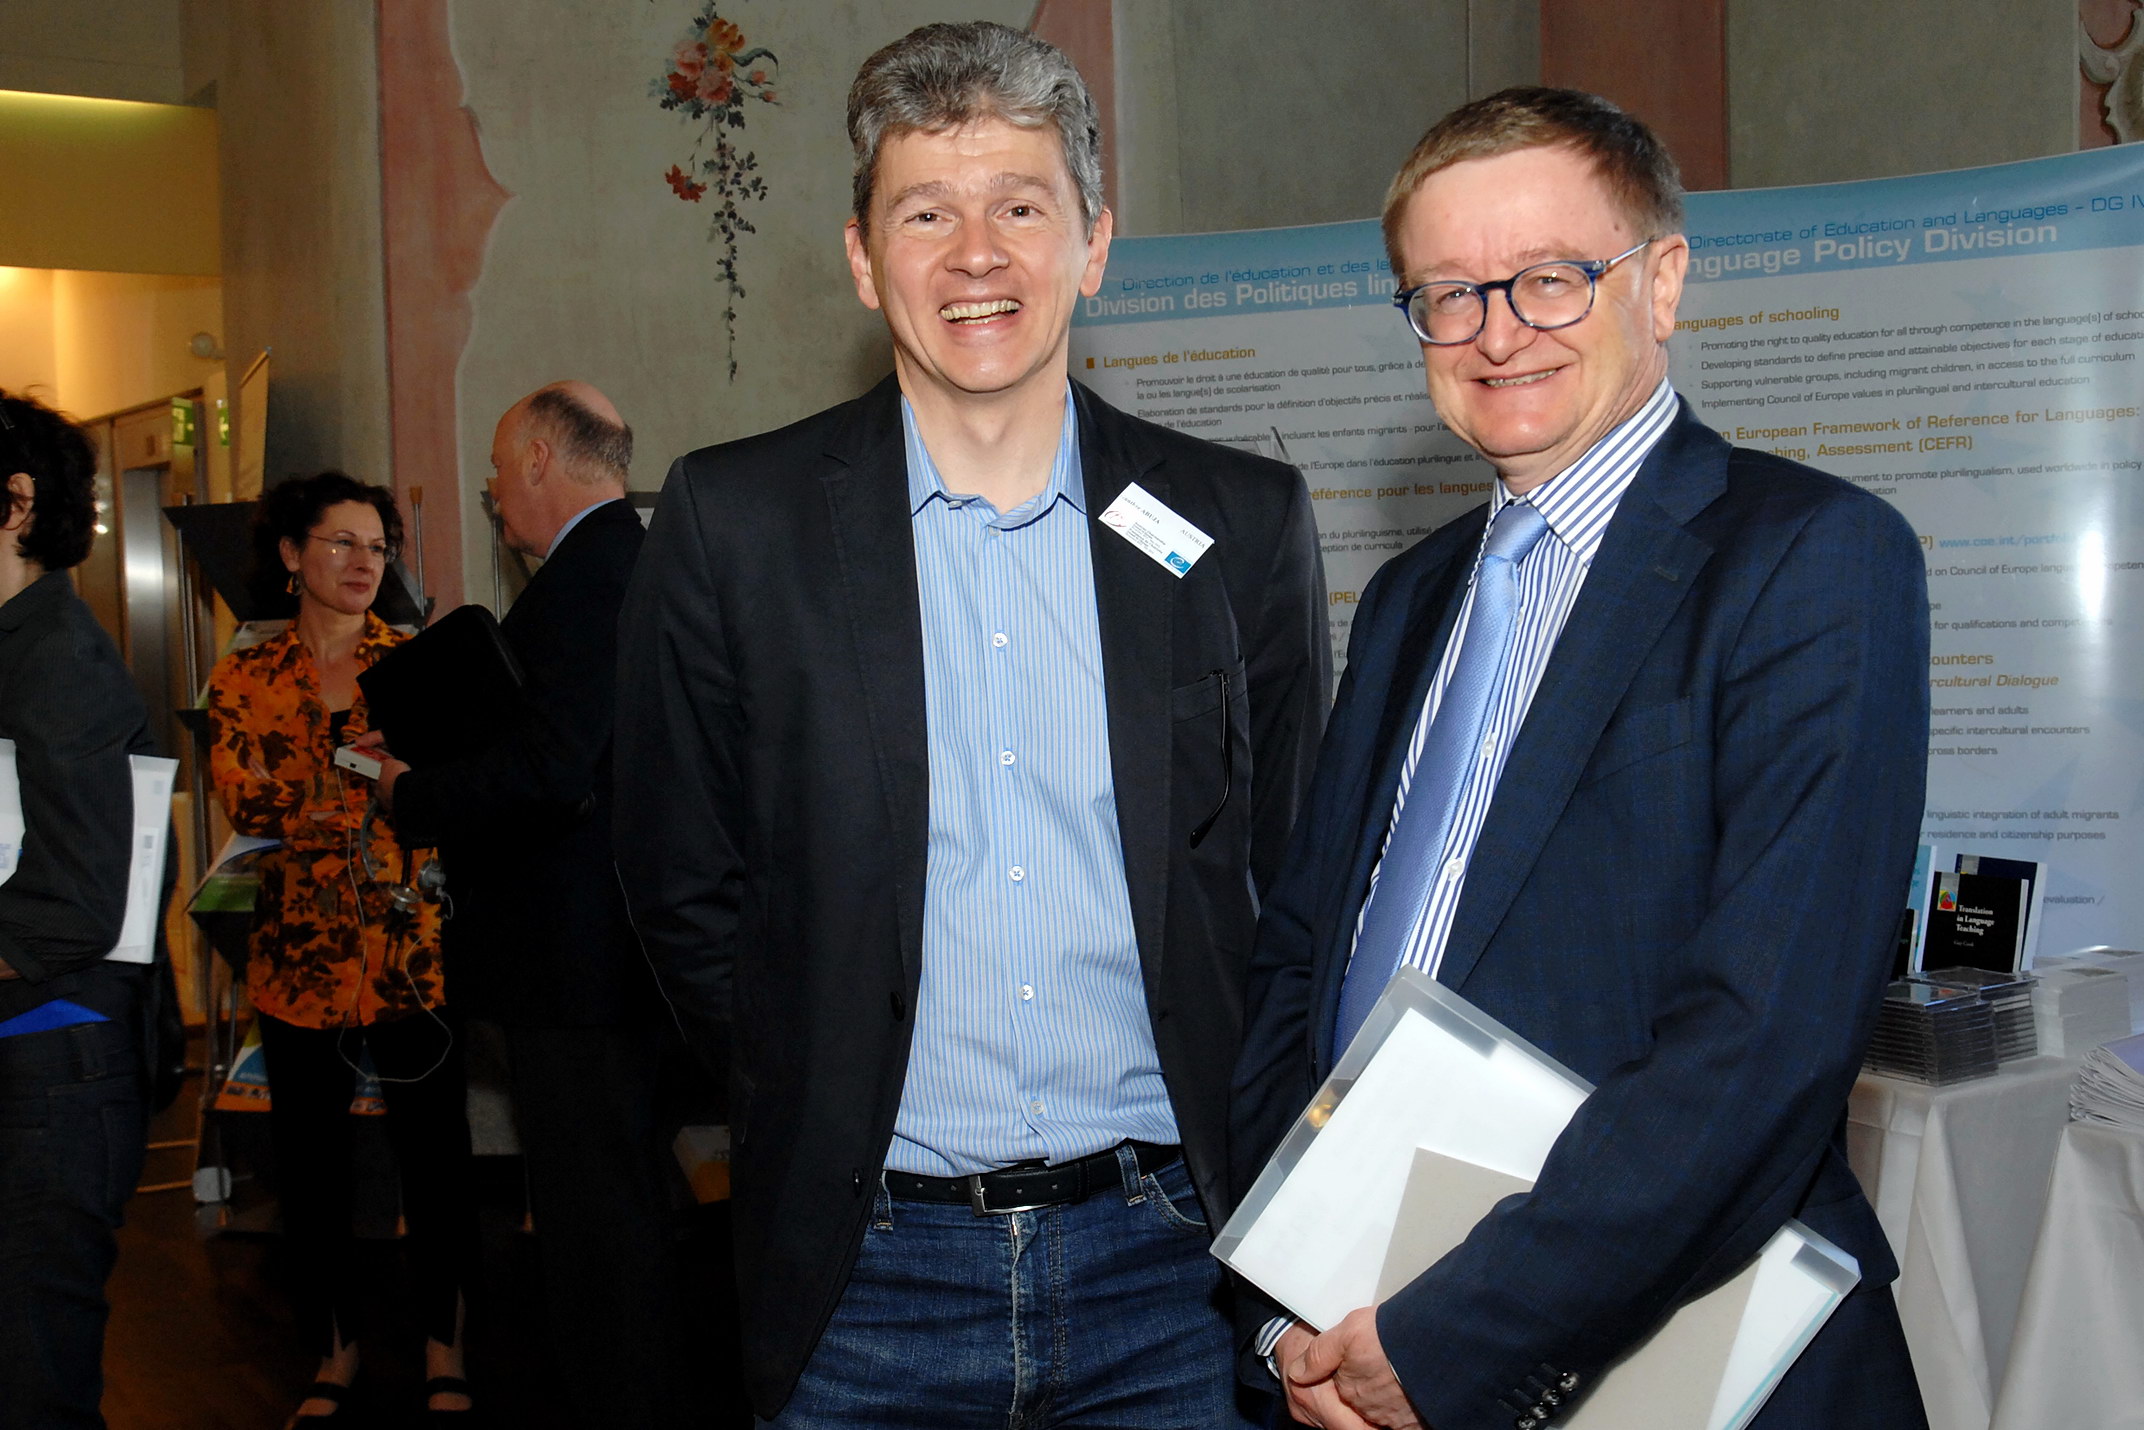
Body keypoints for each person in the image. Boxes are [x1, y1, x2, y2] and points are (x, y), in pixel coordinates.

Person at [614, 20, 1328, 1428]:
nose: (976, 255)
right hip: (864, 1277)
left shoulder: (1235, 522)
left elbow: (1291, 868)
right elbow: (678, 876)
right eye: (926, 213)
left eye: (1021, 207)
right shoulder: (732, 522)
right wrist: (806, 1073)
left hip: (1175, 1271)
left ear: (1095, 243)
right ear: (862, 258)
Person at [1231, 87, 1931, 1430]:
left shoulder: (1811, 560)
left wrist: (1447, 1342)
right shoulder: (1409, 597)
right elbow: (1298, 968)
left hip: (1660, 1354)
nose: (1496, 332)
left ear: (1659, 282)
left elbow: (1762, 1043)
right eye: (1447, 293)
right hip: (1355, 1334)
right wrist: (1285, 1303)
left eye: (1550, 278)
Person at [364, 382, 690, 1426]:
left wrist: (412, 792)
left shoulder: (592, 580)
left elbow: (554, 770)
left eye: (501, 469)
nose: (496, 491)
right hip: (614, 957)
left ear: (542, 459)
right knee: (619, 1208)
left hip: (580, 965)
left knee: (600, 1231)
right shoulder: (628, 564)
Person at [204, 472, 477, 1425]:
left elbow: (447, 787)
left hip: (412, 954)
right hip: (296, 962)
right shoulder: (243, 677)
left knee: (436, 1165)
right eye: (341, 543)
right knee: (312, 1172)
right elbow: (246, 798)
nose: (364, 562)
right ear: (291, 554)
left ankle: (446, 1351)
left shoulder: (417, 664)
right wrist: (369, 780)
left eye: (377, 547)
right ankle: (334, 1353)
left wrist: (358, 791)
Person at [0, 390, 165, 1430]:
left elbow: (76, 904)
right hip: (34, 1054)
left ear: (15, 502)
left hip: (53, 1069)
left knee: (36, 1384)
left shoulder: (56, 654)